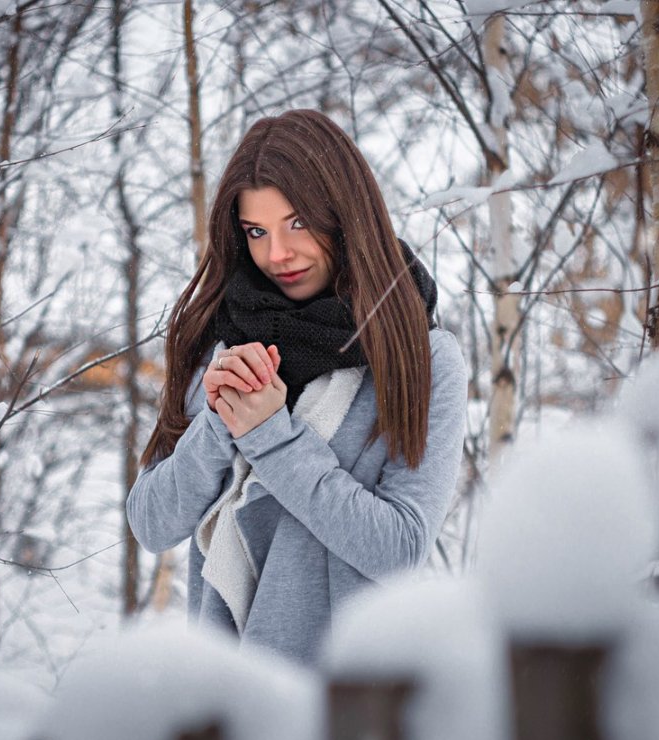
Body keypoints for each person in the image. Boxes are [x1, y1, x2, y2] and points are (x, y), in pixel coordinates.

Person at [126, 109, 467, 666]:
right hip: (225, 699)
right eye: (256, 231)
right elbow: (152, 523)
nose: (276, 253)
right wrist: (219, 423)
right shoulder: (220, 339)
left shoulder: (421, 358)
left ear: (345, 216)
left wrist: (272, 437)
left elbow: (400, 549)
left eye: (297, 223)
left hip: (347, 704)